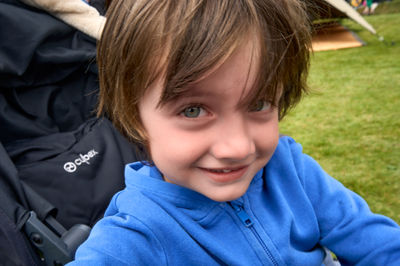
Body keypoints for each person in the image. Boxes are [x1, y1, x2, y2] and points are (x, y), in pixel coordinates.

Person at [68, 0, 400, 265]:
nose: (237, 147)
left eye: (259, 103)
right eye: (193, 110)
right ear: (135, 115)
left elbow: (377, 243)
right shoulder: (136, 235)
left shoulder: (291, 172)